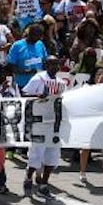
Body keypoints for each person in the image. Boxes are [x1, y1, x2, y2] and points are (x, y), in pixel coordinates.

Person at [22, 55, 66, 196]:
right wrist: (38, 97)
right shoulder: (38, 78)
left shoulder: (61, 83)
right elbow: (24, 95)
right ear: (46, 65)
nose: (55, 67)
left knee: (52, 154)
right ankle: (29, 176)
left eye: (57, 64)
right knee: (36, 153)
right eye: (52, 64)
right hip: (39, 123)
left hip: (54, 124)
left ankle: (44, 183)